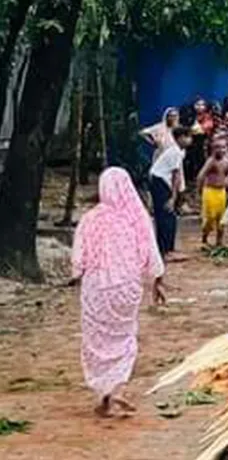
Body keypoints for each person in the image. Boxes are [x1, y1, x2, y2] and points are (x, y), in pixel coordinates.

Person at [71, 168, 166, 418]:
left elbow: (78, 259)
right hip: (127, 287)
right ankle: (118, 388)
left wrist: (77, 273)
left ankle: (104, 392)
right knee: (124, 339)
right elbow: (151, 253)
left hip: (96, 287)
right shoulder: (136, 217)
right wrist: (157, 281)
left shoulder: (89, 219)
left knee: (95, 339)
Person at [148, 126, 191, 260]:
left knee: (163, 215)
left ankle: (164, 248)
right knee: (168, 215)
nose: (190, 140)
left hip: (157, 179)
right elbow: (176, 175)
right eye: (188, 137)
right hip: (160, 181)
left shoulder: (177, 151)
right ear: (180, 138)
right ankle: (167, 250)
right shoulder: (175, 152)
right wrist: (173, 197)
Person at [196, 141, 228, 247]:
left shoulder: (227, 161)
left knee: (222, 219)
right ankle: (204, 238)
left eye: (223, 147)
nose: (220, 150)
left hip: (221, 192)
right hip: (210, 191)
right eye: (218, 147)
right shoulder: (211, 161)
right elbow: (200, 176)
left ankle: (219, 241)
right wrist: (199, 191)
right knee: (209, 218)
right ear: (213, 149)